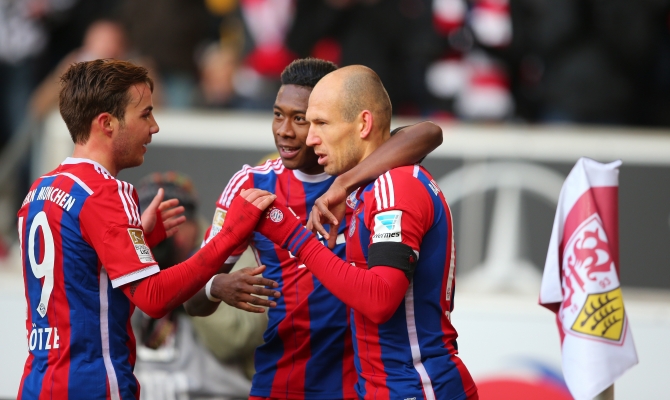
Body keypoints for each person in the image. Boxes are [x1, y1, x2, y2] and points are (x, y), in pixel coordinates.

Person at [16, 59, 277, 399]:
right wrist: (230, 235)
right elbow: (153, 298)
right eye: (145, 114)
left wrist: (141, 240)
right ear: (107, 123)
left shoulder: (40, 189)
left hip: (37, 382)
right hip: (94, 384)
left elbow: (82, 274)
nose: (154, 127)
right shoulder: (106, 192)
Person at [184, 57, 443, 399]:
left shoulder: (369, 172)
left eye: (303, 119)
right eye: (278, 115)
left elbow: (429, 132)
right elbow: (191, 298)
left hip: (359, 387)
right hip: (280, 383)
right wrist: (216, 286)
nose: (284, 131)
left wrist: (344, 184)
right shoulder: (252, 185)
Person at [254, 65, 478, 399]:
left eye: (321, 123)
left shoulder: (395, 188)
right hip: (385, 388)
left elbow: (380, 299)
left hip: (417, 387)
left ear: (363, 124)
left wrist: (295, 238)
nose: (310, 138)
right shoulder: (369, 187)